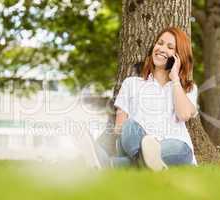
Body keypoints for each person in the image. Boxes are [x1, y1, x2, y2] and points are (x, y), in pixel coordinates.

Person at [74, 27, 198, 171]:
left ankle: (107, 164)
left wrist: (175, 79)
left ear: (178, 56)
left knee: (178, 147)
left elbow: (183, 115)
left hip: (174, 148)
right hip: (133, 143)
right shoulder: (131, 83)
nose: (162, 48)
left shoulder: (186, 88)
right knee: (129, 125)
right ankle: (147, 161)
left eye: (170, 47)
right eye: (160, 43)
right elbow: (119, 127)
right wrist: (142, 140)